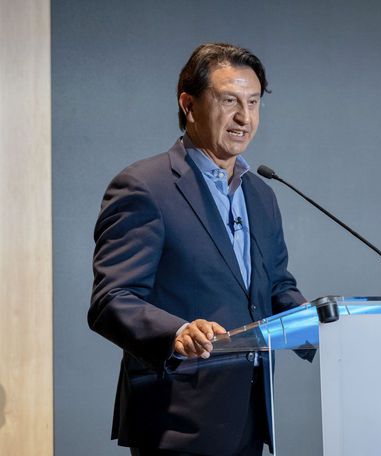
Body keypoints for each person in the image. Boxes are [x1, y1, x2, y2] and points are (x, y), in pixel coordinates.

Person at [89, 43, 306, 456]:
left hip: (249, 416)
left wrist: (328, 326)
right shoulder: (144, 187)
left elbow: (277, 287)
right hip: (176, 420)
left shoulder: (261, 194)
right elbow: (111, 300)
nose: (245, 118)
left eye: (253, 102)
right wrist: (176, 333)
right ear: (189, 105)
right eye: (229, 101)